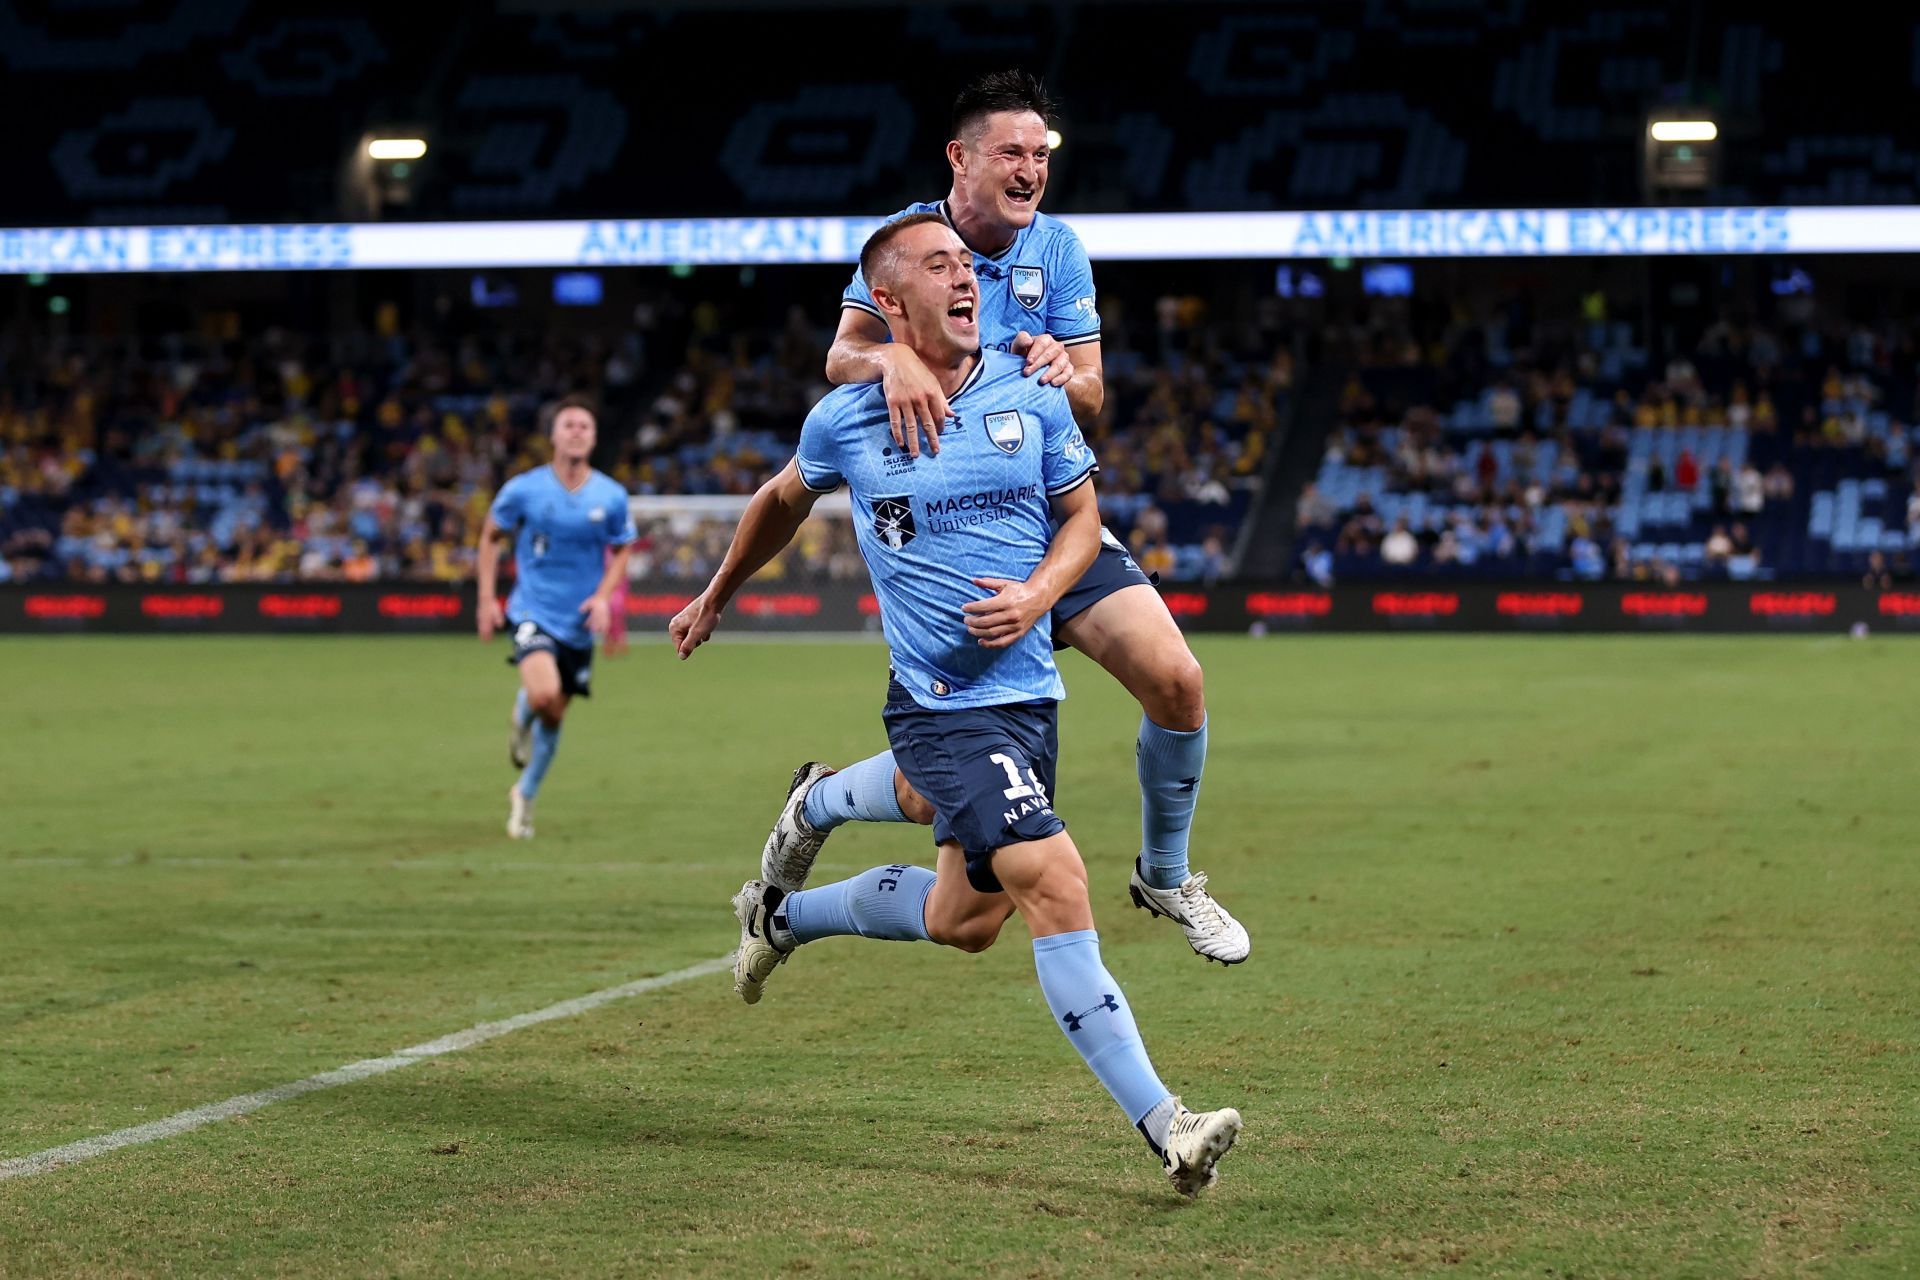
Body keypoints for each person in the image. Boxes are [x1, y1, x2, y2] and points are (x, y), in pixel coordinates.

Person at [670, 215, 1242, 1196]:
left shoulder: (1033, 389)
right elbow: (778, 499)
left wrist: (1037, 595)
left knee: (965, 917)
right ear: (888, 303)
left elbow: (1083, 518)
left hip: (1028, 696)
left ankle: (787, 904)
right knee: (1055, 879)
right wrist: (716, 592)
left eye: (968, 267)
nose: (967, 278)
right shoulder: (847, 415)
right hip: (941, 704)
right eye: (940, 267)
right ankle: (1168, 1123)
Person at [771, 68, 1246, 965]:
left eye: (1041, 155)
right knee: (936, 833)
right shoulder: (911, 243)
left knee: (1178, 682)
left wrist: (1058, 367)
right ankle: (821, 803)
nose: (1030, 169)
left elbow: (1094, 390)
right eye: (1011, 153)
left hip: (1049, 526)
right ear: (961, 158)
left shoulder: (1058, 247)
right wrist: (890, 364)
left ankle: (1167, 874)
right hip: (953, 543)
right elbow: (843, 352)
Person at [476, 397, 635, 839]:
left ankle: (523, 795)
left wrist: (604, 598)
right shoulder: (524, 489)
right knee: (545, 694)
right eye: (569, 424)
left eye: (585, 425)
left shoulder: (610, 495)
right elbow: (489, 537)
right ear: (553, 435)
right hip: (532, 610)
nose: (577, 431)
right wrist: (486, 598)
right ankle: (523, 708)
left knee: (555, 715)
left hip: (579, 621)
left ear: (594, 436)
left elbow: (623, 547)